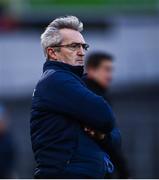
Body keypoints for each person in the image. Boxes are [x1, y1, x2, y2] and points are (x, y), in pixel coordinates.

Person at [30, 16, 116, 179]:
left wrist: (102, 135)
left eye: (84, 46)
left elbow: (115, 135)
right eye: (73, 46)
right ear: (52, 52)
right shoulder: (56, 80)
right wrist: (102, 129)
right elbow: (105, 116)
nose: (82, 52)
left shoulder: (75, 82)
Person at [83, 52, 130, 178]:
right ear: (91, 70)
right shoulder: (94, 98)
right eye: (106, 70)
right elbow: (107, 139)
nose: (110, 76)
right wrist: (124, 172)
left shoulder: (88, 93)